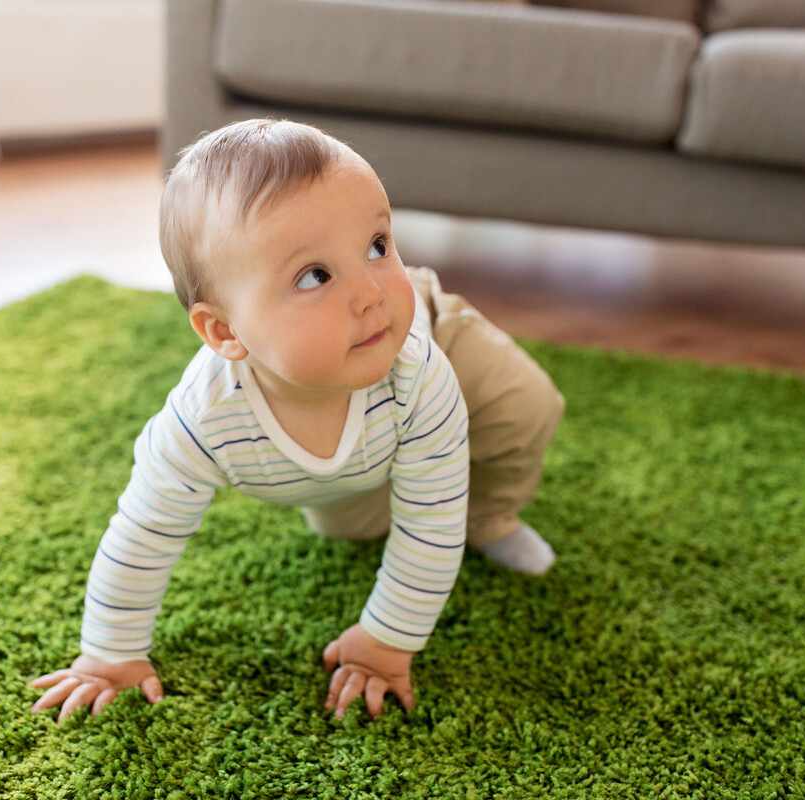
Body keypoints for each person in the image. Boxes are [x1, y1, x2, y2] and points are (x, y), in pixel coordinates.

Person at [30, 119, 564, 723]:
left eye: (377, 246)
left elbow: (431, 519)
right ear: (226, 333)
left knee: (527, 406)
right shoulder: (200, 422)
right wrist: (110, 653)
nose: (369, 292)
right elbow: (143, 534)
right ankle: (375, 474)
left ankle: (491, 515)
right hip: (353, 440)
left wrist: (386, 640)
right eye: (315, 276)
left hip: (432, 336)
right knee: (354, 526)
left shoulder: (421, 373)